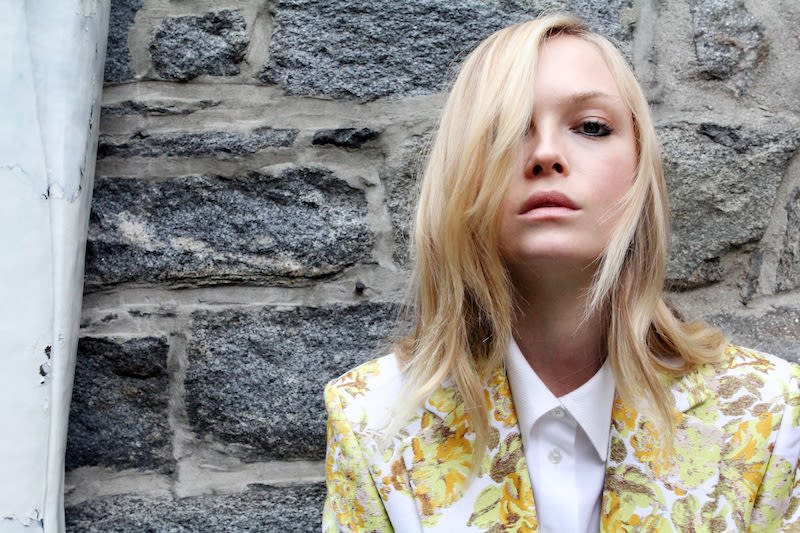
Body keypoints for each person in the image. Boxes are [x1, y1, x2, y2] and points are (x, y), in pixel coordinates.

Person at [322, 13, 800, 532]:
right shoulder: (373, 419)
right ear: (461, 173)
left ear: (640, 169)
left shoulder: (768, 414)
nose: (546, 154)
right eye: (505, 130)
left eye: (591, 126)